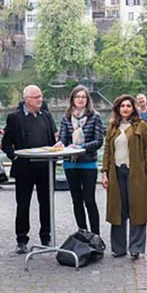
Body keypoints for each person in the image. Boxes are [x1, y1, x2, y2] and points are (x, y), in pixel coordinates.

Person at [2, 85, 58, 253]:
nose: (40, 99)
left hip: (45, 167)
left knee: (46, 203)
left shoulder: (46, 116)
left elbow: (53, 139)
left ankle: (46, 236)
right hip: (24, 168)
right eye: (36, 97)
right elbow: (6, 144)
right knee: (23, 204)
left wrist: (58, 147)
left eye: (40, 96)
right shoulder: (14, 118)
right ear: (26, 99)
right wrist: (15, 156)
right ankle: (21, 239)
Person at [101, 94, 147, 259]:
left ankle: (136, 247)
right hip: (117, 173)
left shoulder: (141, 125)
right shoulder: (112, 127)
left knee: (138, 209)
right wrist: (104, 172)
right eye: (122, 106)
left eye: (128, 106)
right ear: (118, 108)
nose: (125, 109)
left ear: (133, 108)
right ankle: (118, 248)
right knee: (118, 210)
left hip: (136, 173)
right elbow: (107, 151)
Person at [58, 85, 105, 236]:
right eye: (77, 97)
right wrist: (60, 144)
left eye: (83, 97)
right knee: (76, 201)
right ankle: (83, 233)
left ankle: (96, 236)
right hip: (70, 164)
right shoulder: (66, 117)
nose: (80, 100)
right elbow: (64, 139)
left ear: (87, 99)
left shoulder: (94, 117)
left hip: (88, 163)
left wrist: (81, 147)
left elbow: (98, 141)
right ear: (72, 99)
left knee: (89, 200)